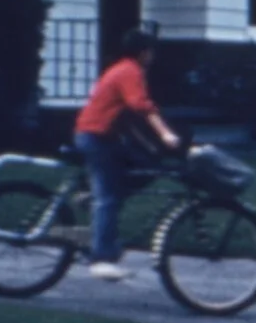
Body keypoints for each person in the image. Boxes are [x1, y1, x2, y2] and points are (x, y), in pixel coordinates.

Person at [74, 25, 181, 282]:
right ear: (143, 52)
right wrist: (165, 134)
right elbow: (140, 106)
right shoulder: (130, 71)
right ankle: (101, 258)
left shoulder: (120, 68)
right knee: (109, 198)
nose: (153, 56)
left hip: (101, 135)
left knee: (142, 170)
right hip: (97, 136)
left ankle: (92, 196)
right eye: (151, 50)